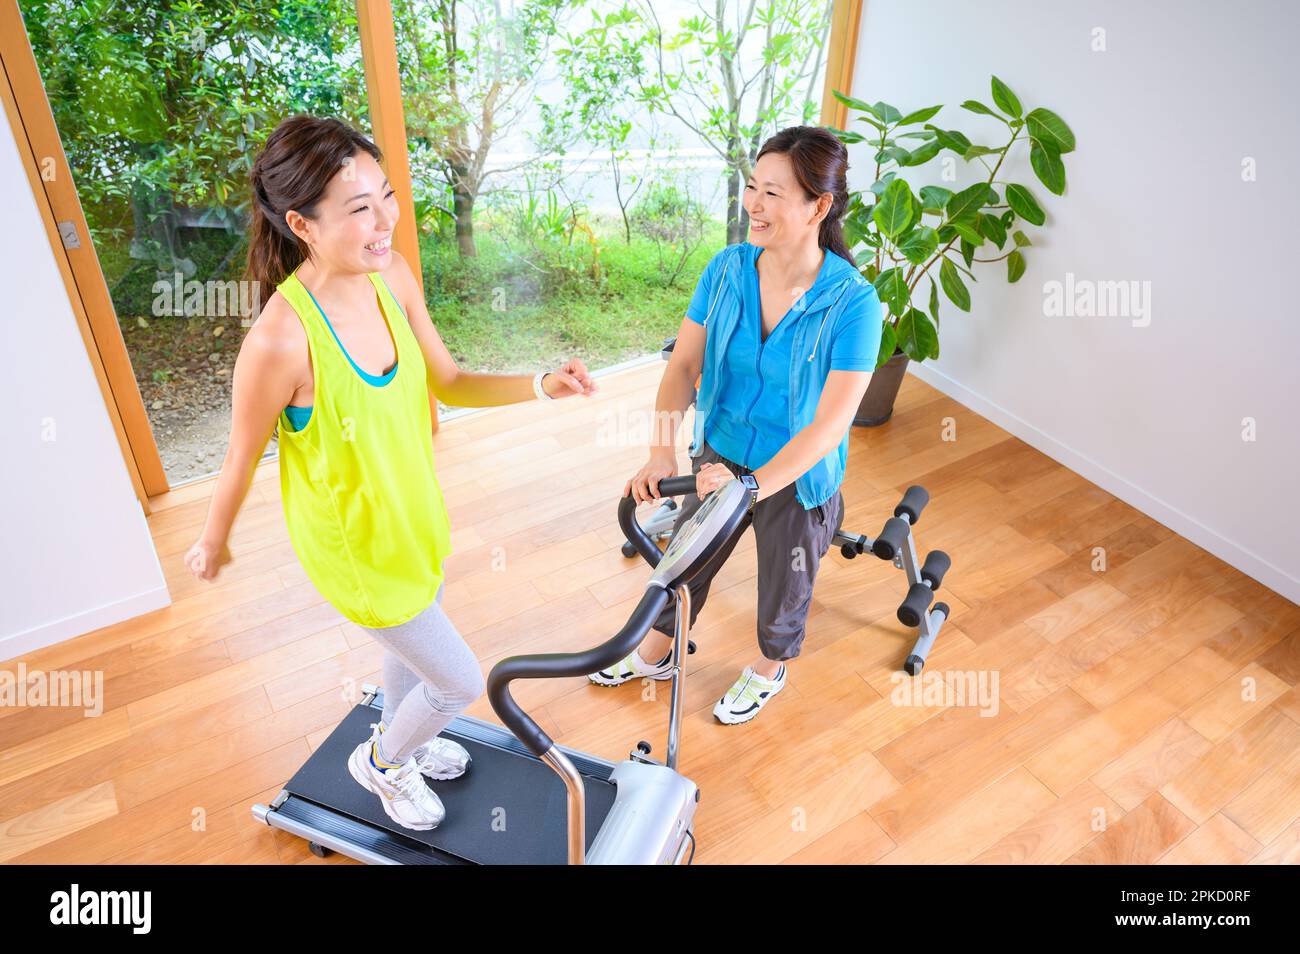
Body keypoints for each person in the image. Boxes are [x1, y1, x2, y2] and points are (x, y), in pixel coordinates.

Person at [183, 115, 596, 831]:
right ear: (301, 224)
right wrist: (212, 540)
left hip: (413, 515)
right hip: (355, 551)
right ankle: (381, 763)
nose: (385, 222)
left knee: (410, 651)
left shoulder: (391, 276)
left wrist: (539, 384)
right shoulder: (281, 341)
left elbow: (450, 379)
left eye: (387, 195)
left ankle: (406, 736)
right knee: (460, 678)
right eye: (358, 208)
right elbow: (240, 456)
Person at [589, 125, 882, 725]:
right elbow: (684, 367)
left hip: (796, 476)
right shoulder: (726, 271)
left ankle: (770, 669)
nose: (753, 204)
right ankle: (656, 653)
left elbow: (828, 427)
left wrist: (751, 488)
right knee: (688, 558)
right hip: (719, 454)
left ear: (818, 206)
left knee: (784, 583)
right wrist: (660, 453)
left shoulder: (854, 305)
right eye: (752, 187)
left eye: (773, 193)